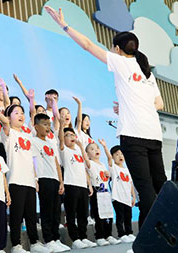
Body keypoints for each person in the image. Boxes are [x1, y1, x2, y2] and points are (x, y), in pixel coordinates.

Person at [45, 6, 166, 229]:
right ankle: (170, 231)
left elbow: (89, 45)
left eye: (112, 47)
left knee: (145, 188)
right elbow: (159, 104)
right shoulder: (147, 73)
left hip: (134, 134)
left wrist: (64, 25)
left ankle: (150, 240)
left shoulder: (122, 62)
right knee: (161, 185)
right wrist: (131, 105)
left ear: (118, 49)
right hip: (154, 135)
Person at [0, 100, 49, 253]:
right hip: (15, 179)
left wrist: (35, 179)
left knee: (31, 215)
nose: (20, 115)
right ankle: (16, 245)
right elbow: (5, 123)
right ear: (9, 116)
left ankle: (34, 243)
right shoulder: (7, 133)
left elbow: (31, 159)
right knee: (16, 216)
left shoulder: (27, 135)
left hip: (30, 181)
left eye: (22, 113)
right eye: (16, 113)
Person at [33, 114, 70, 252]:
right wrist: (36, 179)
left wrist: (61, 181)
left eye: (49, 124)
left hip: (55, 179)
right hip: (43, 178)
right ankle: (48, 240)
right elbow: (33, 161)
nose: (48, 127)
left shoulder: (50, 143)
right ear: (36, 126)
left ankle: (56, 238)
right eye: (44, 124)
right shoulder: (33, 141)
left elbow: (56, 163)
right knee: (47, 210)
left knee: (55, 211)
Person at [57, 121, 96, 249]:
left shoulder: (79, 151)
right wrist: (62, 127)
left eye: (72, 135)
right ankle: (75, 239)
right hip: (70, 184)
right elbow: (61, 140)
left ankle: (83, 237)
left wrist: (89, 184)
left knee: (83, 213)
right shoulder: (64, 150)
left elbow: (87, 165)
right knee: (71, 213)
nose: (71, 137)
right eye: (68, 135)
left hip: (82, 185)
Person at [85, 142, 121, 246]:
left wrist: (107, 174)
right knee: (98, 214)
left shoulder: (102, 164)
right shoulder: (90, 163)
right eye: (92, 149)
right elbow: (86, 161)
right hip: (97, 190)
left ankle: (108, 235)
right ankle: (100, 236)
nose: (96, 150)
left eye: (97, 148)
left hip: (105, 191)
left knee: (108, 214)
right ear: (87, 154)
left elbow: (107, 173)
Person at [101, 144, 136, 243]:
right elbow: (108, 157)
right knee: (120, 217)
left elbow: (130, 184)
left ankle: (129, 233)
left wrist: (133, 196)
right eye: (117, 154)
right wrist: (105, 146)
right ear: (113, 157)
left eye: (121, 154)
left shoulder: (127, 170)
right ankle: (122, 234)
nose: (120, 156)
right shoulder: (114, 168)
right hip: (117, 197)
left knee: (128, 217)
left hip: (127, 198)